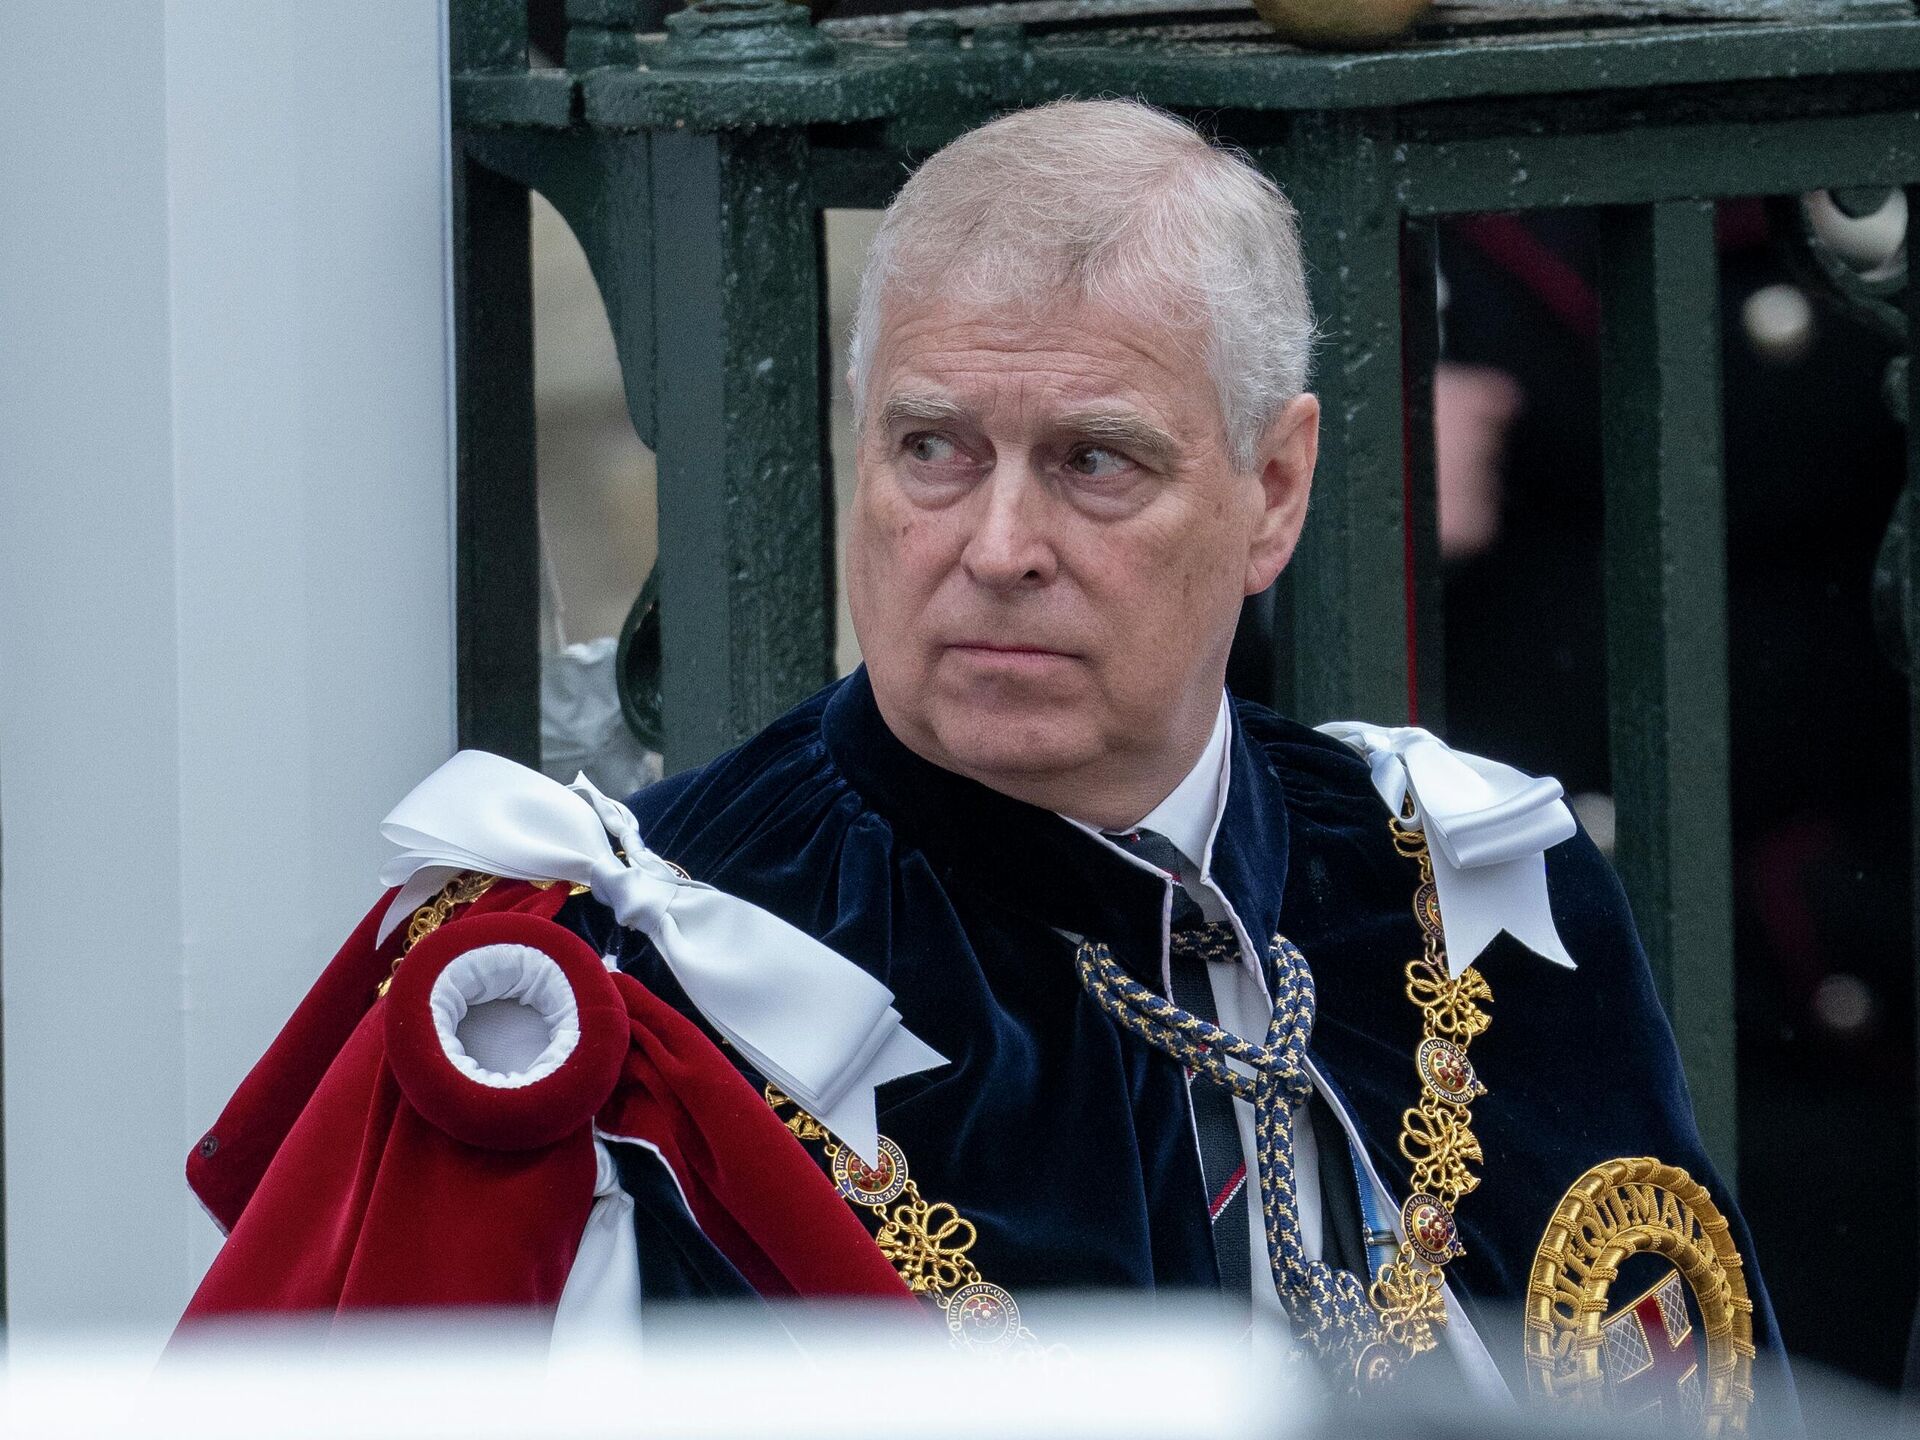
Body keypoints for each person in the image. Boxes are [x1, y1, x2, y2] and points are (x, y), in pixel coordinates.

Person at [182, 99, 1789, 1426]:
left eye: (1094, 461)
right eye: (933, 449)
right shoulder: (619, 1007)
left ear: (1276, 491)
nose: (997, 545)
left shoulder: (1464, 885)